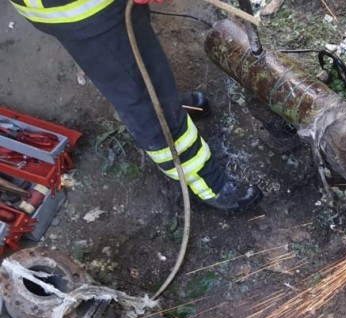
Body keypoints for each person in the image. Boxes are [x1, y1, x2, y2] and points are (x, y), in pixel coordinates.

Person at [8, 0, 262, 212]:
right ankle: (206, 182)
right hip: (81, 11)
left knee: (144, 58)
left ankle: (170, 106)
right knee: (144, 98)